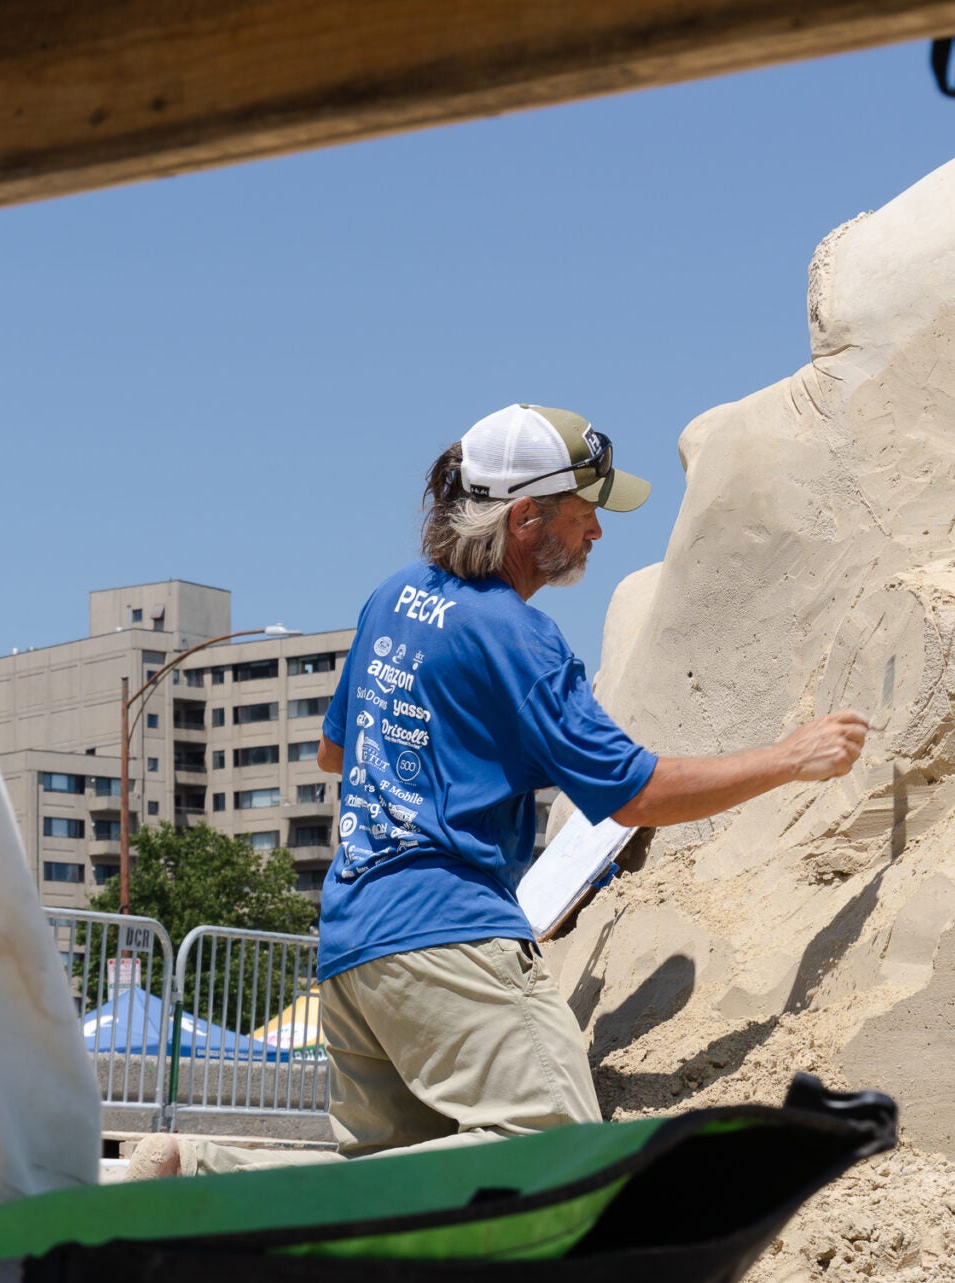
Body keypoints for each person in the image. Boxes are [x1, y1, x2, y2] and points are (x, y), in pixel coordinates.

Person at [130, 404, 866, 1178]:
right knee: (559, 1154)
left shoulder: (393, 599)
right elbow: (638, 793)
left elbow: (332, 751)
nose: (598, 534)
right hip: (447, 937)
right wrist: (790, 757)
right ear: (526, 518)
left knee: (393, 1189)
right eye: (586, 514)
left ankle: (197, 1169)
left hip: (352, 947)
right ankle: (212, 1167)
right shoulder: (518, 637)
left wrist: (491, 760)